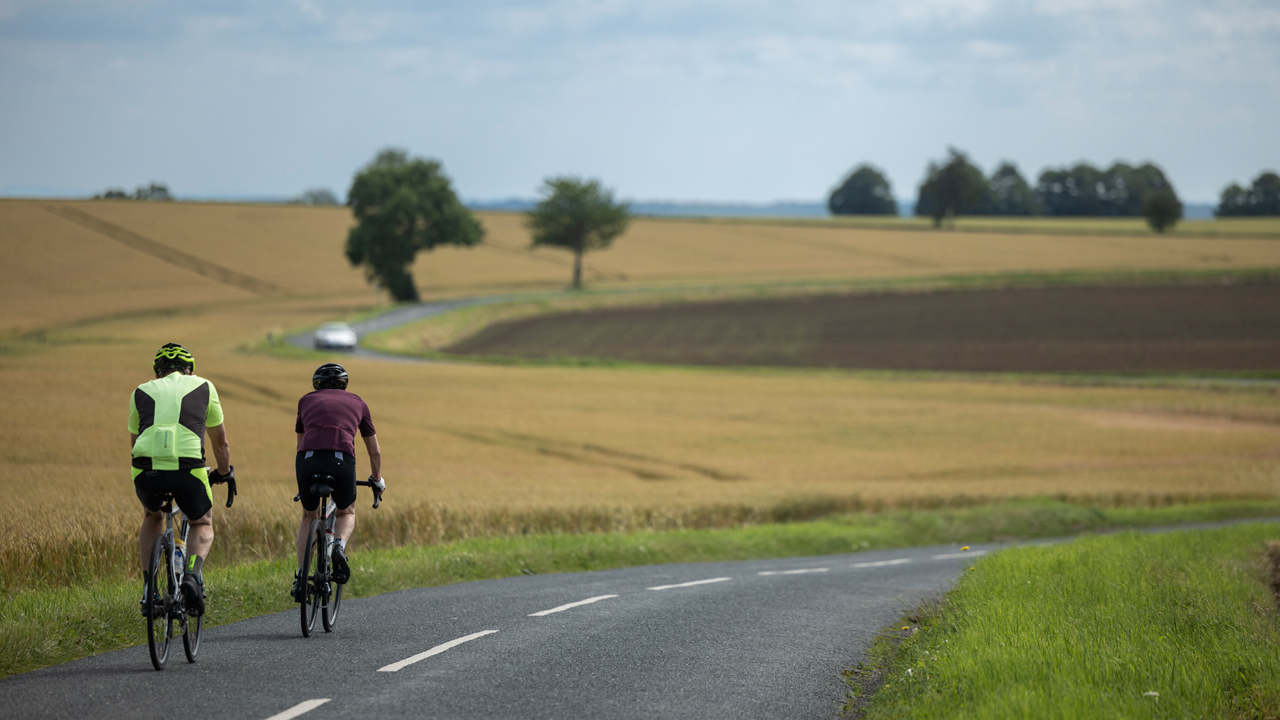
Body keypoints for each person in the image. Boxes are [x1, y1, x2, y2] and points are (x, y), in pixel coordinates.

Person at [130, 343, 233, 616]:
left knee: (152, 517)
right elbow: (220, 443)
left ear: (158, 372)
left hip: (146, 469)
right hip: (188, 469)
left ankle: (148, 591)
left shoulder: (140, 391)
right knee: (201, 521)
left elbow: (134, 442)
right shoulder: (204, 386)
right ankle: (190, 575)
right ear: (190, 371)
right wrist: (223, 472)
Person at [292, 363, 384, 601]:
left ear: (317, 384)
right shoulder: (359, 403)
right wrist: (376, 480)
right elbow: (374, 451)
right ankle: (339, 546)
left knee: (308, 516)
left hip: (307, 461)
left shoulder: (305, 401)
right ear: (344, 384)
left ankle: (301, 576)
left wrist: (304, 477)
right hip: (341, 462)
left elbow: (300, 443)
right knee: (346, 512)